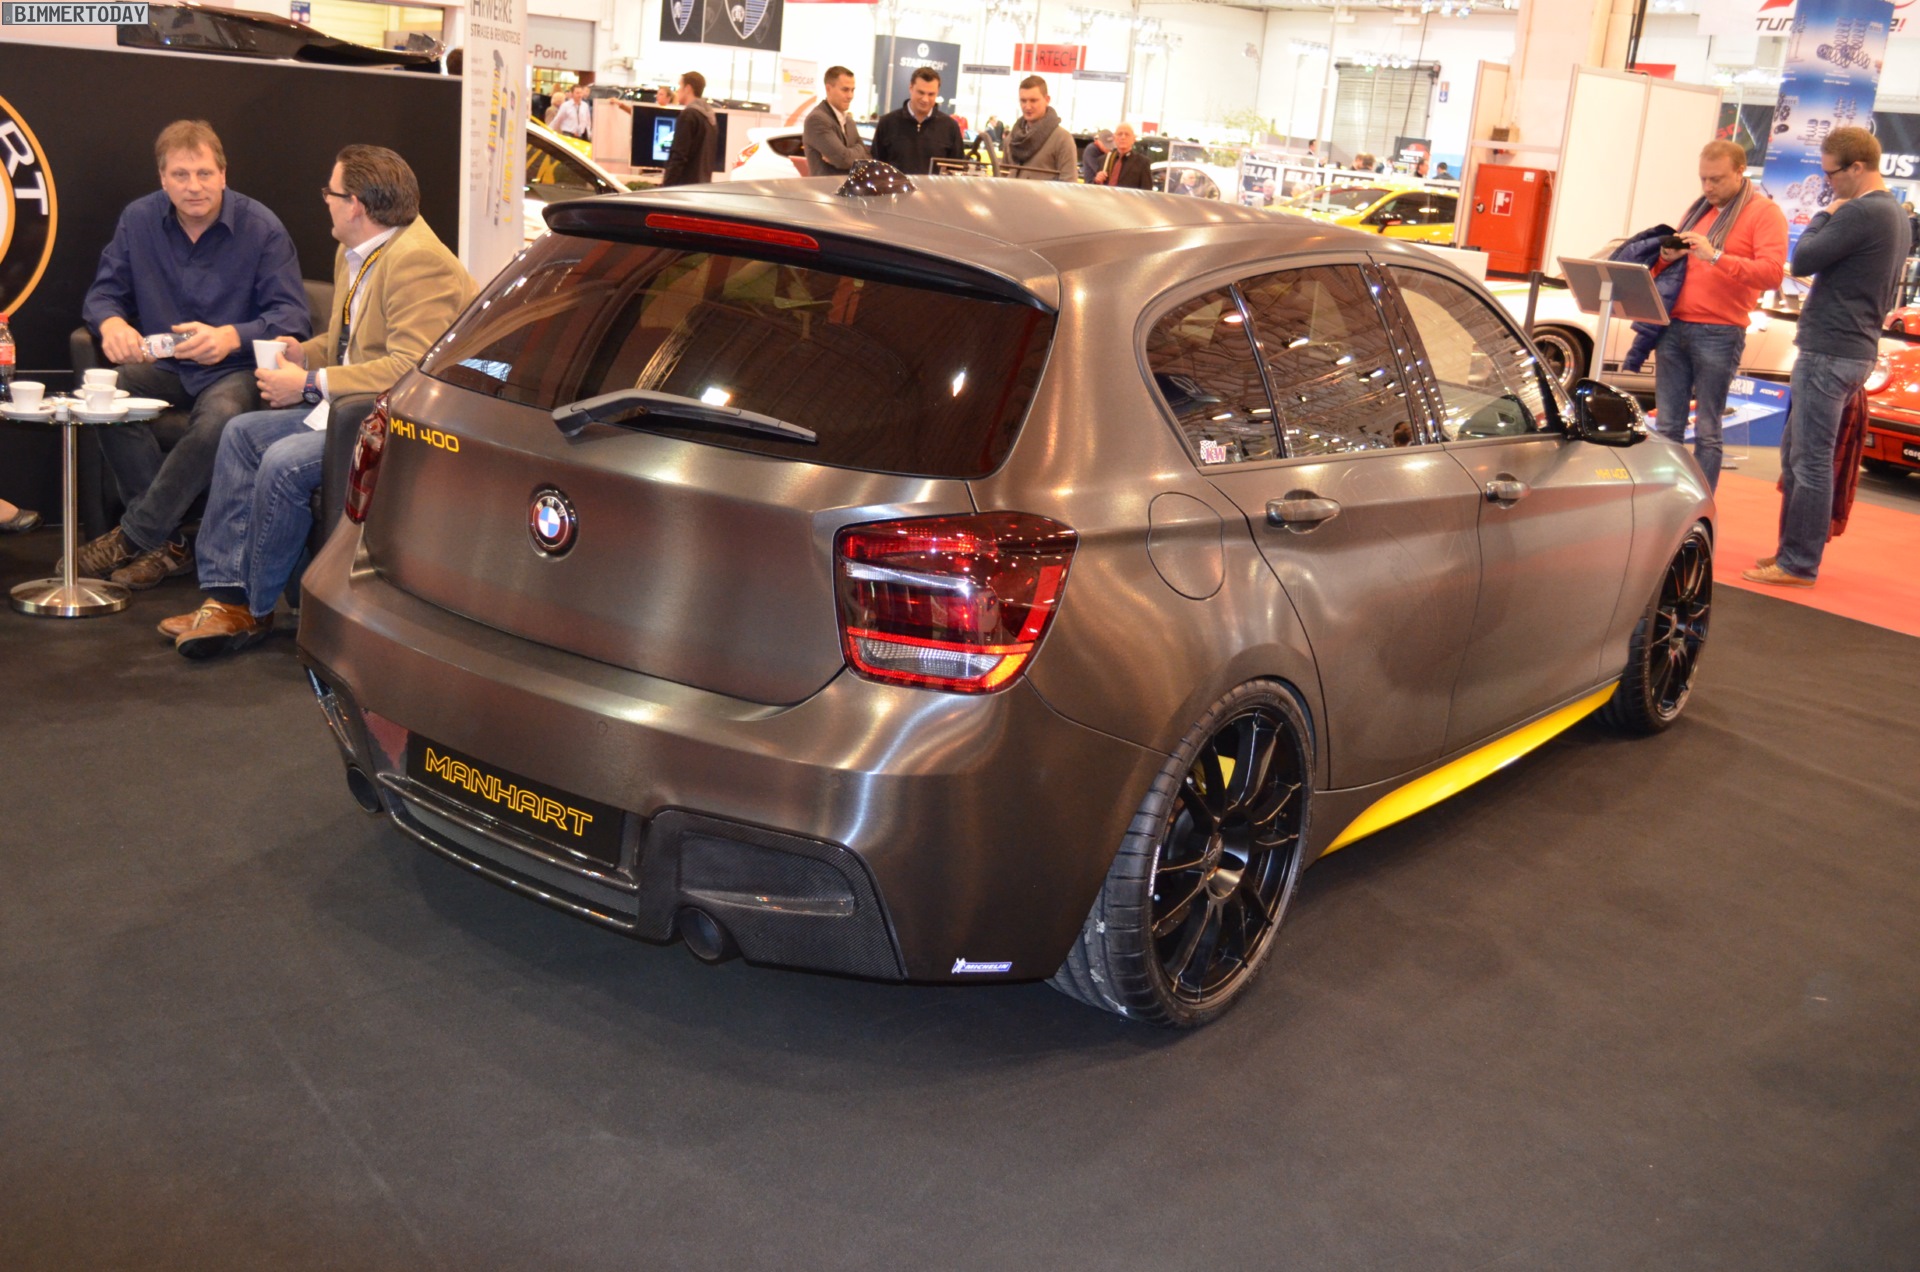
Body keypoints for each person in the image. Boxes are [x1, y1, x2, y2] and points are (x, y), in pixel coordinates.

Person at [160, 145, 477, 657]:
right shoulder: (357, 251)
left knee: (283, 463)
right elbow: (350, 341)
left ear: (356, 205)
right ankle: (225, 597)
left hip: (399, 424)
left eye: (330, 192)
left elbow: (408, 369)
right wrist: (301, 352)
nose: (324, 201)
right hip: (353, 409)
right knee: (240, 433)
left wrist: (308, 384)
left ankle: (255, 609)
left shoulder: (419, 262)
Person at [72, 120, 308, 589]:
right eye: (180, 175)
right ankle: (168, 544)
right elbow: (103, 294)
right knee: (110, 393)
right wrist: (112, 323)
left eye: (204, 173)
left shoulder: (261, 227)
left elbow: (292, 316)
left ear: (223, 174)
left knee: (221, 417)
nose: (194, 186)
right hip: (166, 365)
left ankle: (136, 536)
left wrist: (231, 337)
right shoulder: (139, 219)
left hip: (235, 367)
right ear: (163, 179)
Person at [1745, 126, 1910, 588]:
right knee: (1801, 456)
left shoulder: (1860, 211)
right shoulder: (1893, 215)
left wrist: (1824, 214)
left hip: (1830, 349)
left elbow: (1803, 259)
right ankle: (1791, 552)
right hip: (1847, 347)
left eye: (1832, 175)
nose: (1828, 184)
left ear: (1857, 167)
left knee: (1809, 461)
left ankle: (1798, 562)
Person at [1648, 139, 1788, 492]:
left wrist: (1715, 256)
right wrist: (1666, 258)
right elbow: (1674, 268)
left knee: (1707, 430)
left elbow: (1772, 273)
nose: (1708, 187)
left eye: (1717, 179)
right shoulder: (1698, 210)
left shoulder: (1764, 213)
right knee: (1667, 427)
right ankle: (1667, 501)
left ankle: (1701, 505)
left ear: (1740, 173)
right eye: (1703, 179)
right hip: (1674, 326)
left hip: (1720, 331)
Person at [870, 67, 964, 175]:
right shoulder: (887, 123)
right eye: (921, 92)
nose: (925, 99)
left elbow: (957, 171)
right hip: (897, 186)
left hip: (935, 187)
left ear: (937, 92)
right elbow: (876, 167)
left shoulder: (950, 127)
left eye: (931, 94)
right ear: (911, 88)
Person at [999, 76, 1076, 181]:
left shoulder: (1062, 139)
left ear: (1047, 100)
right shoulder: (1012, 139)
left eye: (1033, 100)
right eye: (1023, 101)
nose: (1027, 106)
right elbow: (1002, 177)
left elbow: (1069, 183)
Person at [803, 66, 870, 179]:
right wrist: (859, 150)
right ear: (828, 88)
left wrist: (849, 154)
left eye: (852, 90)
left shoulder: (849, 121)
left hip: (849, 188)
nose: (850, 96)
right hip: (826, 189)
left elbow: (868, 157)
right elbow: (843, 160)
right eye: (845, 90)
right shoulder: (817, 120)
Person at [660, 71, 717, 187]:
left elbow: (679, 156)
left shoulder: (688, 115)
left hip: (683, 186)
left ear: (688, 88)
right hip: (702, 186)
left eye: (680, 85)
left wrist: (666, 186)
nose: (677, 90)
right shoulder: (710, 117)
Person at [1091, 123, 1152, 190]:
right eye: (1120, 134)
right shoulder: (1104, 160)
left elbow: (1147, 191)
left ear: (1133, 139)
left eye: (1127, 134)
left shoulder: (1142, 163)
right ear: (1114, 138)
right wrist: (1097, 180)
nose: (1123, 137)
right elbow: (1095, 189)